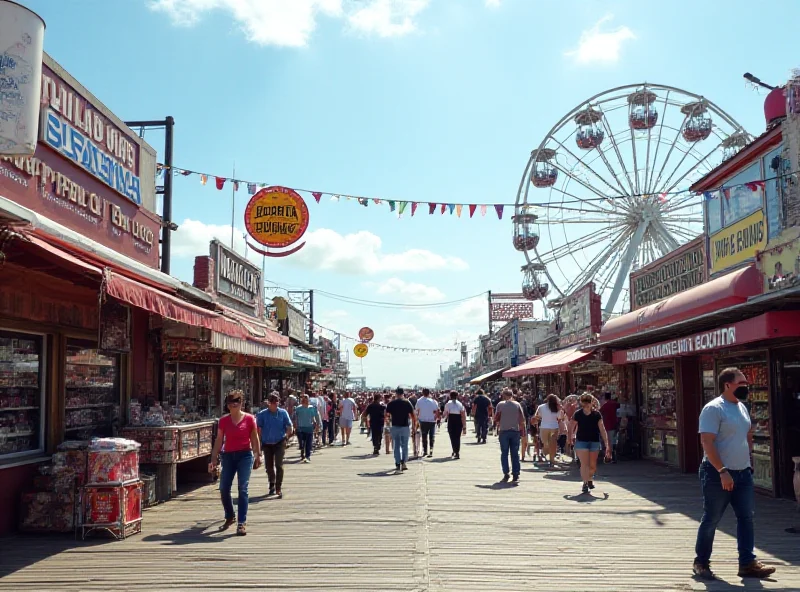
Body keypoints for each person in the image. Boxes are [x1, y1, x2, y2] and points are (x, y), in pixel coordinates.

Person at [692, 368, 776, 581]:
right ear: (727, 384)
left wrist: (748, 461)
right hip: (717, 473)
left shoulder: (742, 407)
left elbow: (747, 434)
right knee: (712, 518)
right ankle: (701, 562)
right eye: (742, 382)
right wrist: (722, 471)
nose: (746, 386)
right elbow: (707, 442)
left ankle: (747, 563)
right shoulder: (713, 409)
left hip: (743, 473)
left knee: (746, 518)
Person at [208, 390, 261, 536]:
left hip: (245, 455)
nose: (233, 404)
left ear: (241, 403)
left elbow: (254, 439)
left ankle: (241, 522)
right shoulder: (223, 421)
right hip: (228, 456)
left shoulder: (250, 419)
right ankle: (230, 515)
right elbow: (219, 440)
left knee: (243, 487)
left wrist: (257, 456)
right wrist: (213, 458)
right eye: (230, 402)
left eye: (236, 401)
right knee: (224, 488)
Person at [569, 393, 611, 494]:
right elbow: (571, 426)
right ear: (582, 403)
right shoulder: (578, 414)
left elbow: (602, 429)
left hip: (594, 441)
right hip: (581, 441)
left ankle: (589, 479)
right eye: (585, 402)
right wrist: (570, 437)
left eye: (589, 402)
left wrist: (607, 444)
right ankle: (585, 483)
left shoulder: (597, 414)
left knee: (592, 466)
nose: (587, 404)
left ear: (592, 402)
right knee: (584, 464)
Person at [256, 393, 293, 498]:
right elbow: (258, 430)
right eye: (272, 402)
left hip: (279, 442)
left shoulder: (283, 413)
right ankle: (271, 483)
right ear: (268, 403)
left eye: (276, 402)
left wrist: (286, 436)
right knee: (269, 466)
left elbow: (289, 426)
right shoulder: (262, 414)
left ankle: (278, 487)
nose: (274, 404)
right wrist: (258, 443)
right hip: (267, 443)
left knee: (279, 465)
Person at [494, 388, 527, 483]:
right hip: (515, 431)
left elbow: (496, 418)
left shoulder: (500, 405)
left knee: (504, 453)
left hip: (504, 431)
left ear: (503, 395)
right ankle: (516, 473)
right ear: (512, 395)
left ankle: (506, 473)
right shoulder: (517, 405)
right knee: (515, 453)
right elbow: (522, 419)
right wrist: (523, 431)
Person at [386, 388, 416, 473]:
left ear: (396, 394)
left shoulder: (391, 403)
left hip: (395, 426)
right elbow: (413, 415)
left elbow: (387, 415)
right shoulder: (407, 402)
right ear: (403, 393)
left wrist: (388, 424)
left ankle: (398, 463)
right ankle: (404, 462)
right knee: (405, 445)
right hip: (405, 426)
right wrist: (414, 425)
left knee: (396, 445)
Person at [536, 394, 563, 468]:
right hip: (554, 427)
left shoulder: (541, 407)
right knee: (553, 445)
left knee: (546, 444)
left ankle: (546, 455)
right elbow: (560, 418)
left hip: (544, 427)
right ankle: (552, 460)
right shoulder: (557, 407)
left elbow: (538, 416)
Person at [295, 394, 321, 463]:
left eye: (307, 398)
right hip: (301, 428)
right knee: (302, 443)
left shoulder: (311, 408)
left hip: (309, 427)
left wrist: (316, 424)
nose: (305, 400)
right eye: (304, 398)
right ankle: (302, 451)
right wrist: (296, 425)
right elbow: (295, 418)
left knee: (308, 443)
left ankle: (307, 456)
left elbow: (314, 417)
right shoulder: (298, 408)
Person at [415, 388, 440, 457]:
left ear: (422, 393)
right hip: (432, 421)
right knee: (432, 437)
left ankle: (425, 451)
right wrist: (436, 418)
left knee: (424, 436)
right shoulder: (433, 401)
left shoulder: (419, 401)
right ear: (429, 393)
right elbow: (437, 411)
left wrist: (417, 419)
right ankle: (431, 451)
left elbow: (416, 411)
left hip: (423, 421)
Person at [443, 391, 467, 459]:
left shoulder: (448, 404)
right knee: (457, 437)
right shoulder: (460, 404)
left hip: (451, 421)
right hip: (458, 421)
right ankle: (456, 451)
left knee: (452, 437)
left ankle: (455, 450)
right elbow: (463, 416)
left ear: (450, 396)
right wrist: (464, 426)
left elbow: (445, 413)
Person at [599, 392, 620, 463]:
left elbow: (600, 413)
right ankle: (612, 456)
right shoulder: (616, 404)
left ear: (605, 398)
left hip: (606, 425)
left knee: (607, 442)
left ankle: (609, 457)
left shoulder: (605, 406)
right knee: (612, 441)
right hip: (614, 425)